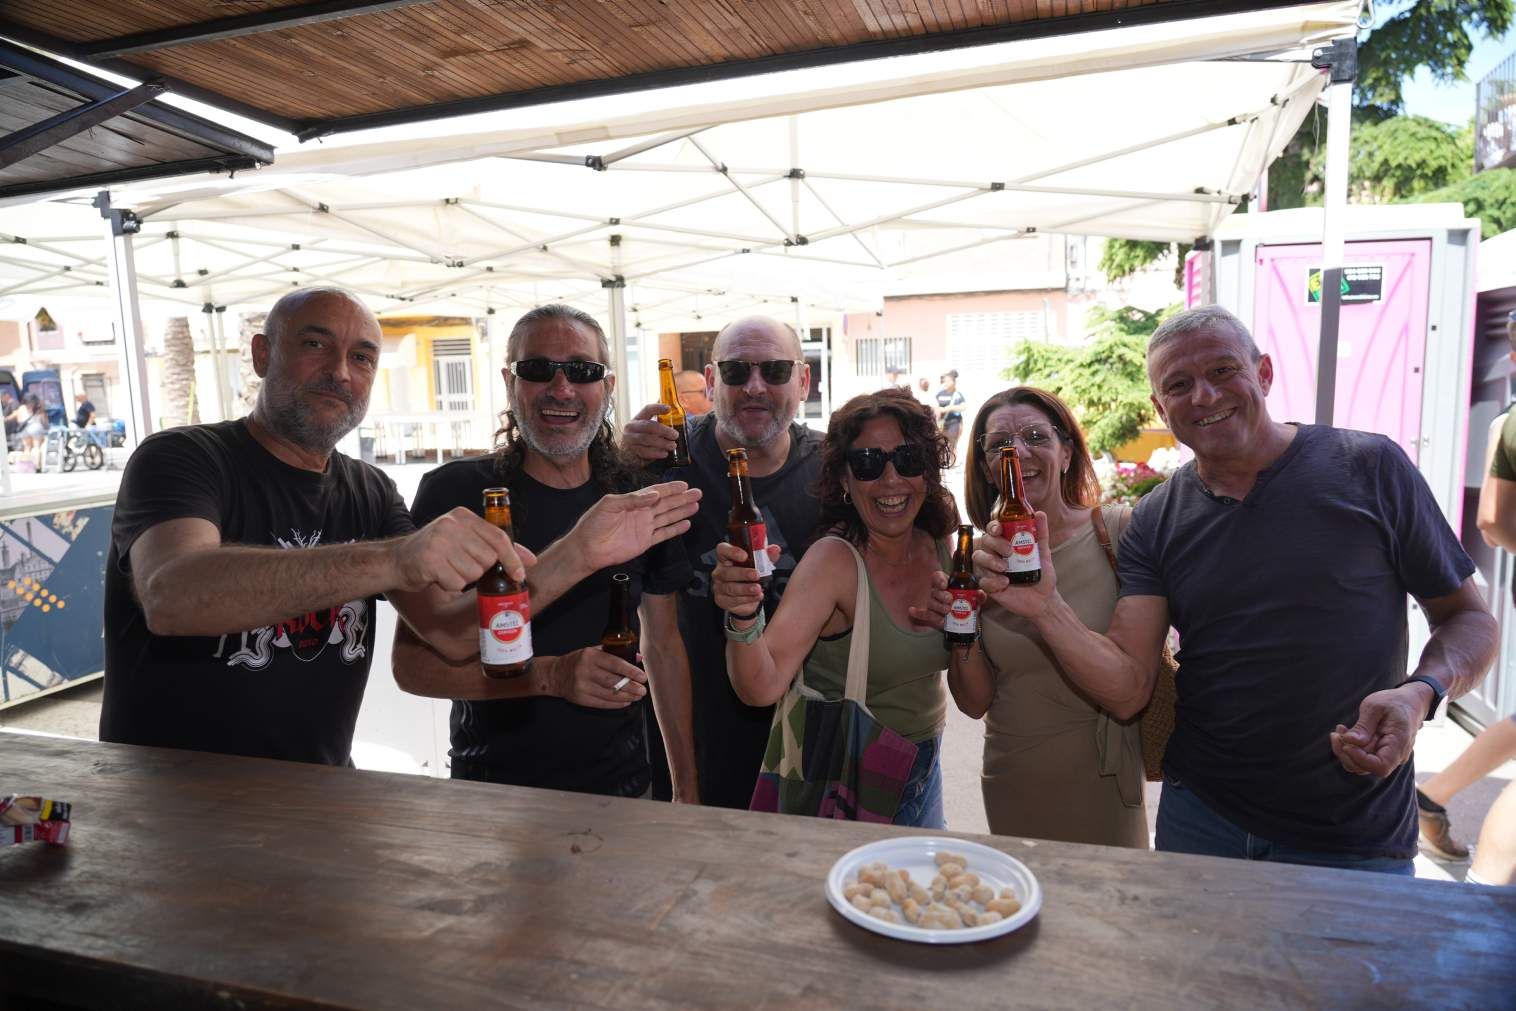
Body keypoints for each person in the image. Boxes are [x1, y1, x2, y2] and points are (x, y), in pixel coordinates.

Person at [976, 304, 1497, 874]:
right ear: (1160, 406)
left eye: (1223, 371)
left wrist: (1420, 691)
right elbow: (1128, 688)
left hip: (1355, 832)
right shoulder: (1156, 519)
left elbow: (1468, 620)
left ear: (1264, 374)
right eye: (1178, 384)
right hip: (1203, 820)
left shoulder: (1369, 467)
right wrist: (1047, 609)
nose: (1202, 395)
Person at [99, 287, 532, 765]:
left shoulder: (371, 491)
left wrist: (582, 550)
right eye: (315, 345)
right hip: (169, 803)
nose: (340, 372)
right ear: (262, 355)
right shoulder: (184, 458)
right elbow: (171, 597)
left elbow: (450, 634)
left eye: (362, 358)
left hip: (317, 796)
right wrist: (394, 559)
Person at [391, 304, 701, 801]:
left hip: (623, 790)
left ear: (608, 386)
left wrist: (686, 786)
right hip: (492, 791)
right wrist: (551, 678)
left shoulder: (635, 496)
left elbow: (662, 647)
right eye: (538, 369)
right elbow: (414, 669)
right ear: (509, 381)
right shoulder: (458, 495)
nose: (561, 388)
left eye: (582, 370)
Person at [713, 389, 969, 826]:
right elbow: (761, 685)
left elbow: (974, 696)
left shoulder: (939, 544)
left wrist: (967, 631)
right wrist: (742, 614)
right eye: (868, 463)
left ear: (926, 471)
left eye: (907, 459)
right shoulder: (833, 562)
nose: (890, 480)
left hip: (926, 766)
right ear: (845, 480)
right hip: (850, 774)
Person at [622, 316, 823, 808]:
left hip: (812, 735)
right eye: (735, 372)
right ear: (711, 383)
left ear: (803, 381)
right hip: (696, 731)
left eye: (775, 370)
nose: (755, 387)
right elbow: (659, 637)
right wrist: (684, 780)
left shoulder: (835, 469)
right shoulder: (664, 461)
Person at [951, 387, 1147, 848]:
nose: (1017, 451)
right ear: (985, 466)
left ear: (1066, 452)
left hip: (1104, 780)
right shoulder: (978, 562)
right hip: (1013, 776)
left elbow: (1130, 692)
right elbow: (973, 702)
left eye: (1036, 435)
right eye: (1000, 443)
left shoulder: (1119, 531)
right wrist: (959, 629)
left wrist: (1046, 609)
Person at [935, 370, 966, 463]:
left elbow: (964, 406)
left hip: (954, 422)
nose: (946, 383)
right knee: (940, 444)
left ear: (954, 382)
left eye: (948, 381)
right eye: (945, 381)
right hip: (941, 423)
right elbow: (935, 406)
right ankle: (942, 462)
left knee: (952, 444)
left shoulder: (957, 394)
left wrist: (950, 408)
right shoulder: (940, 394)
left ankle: (952, 462)